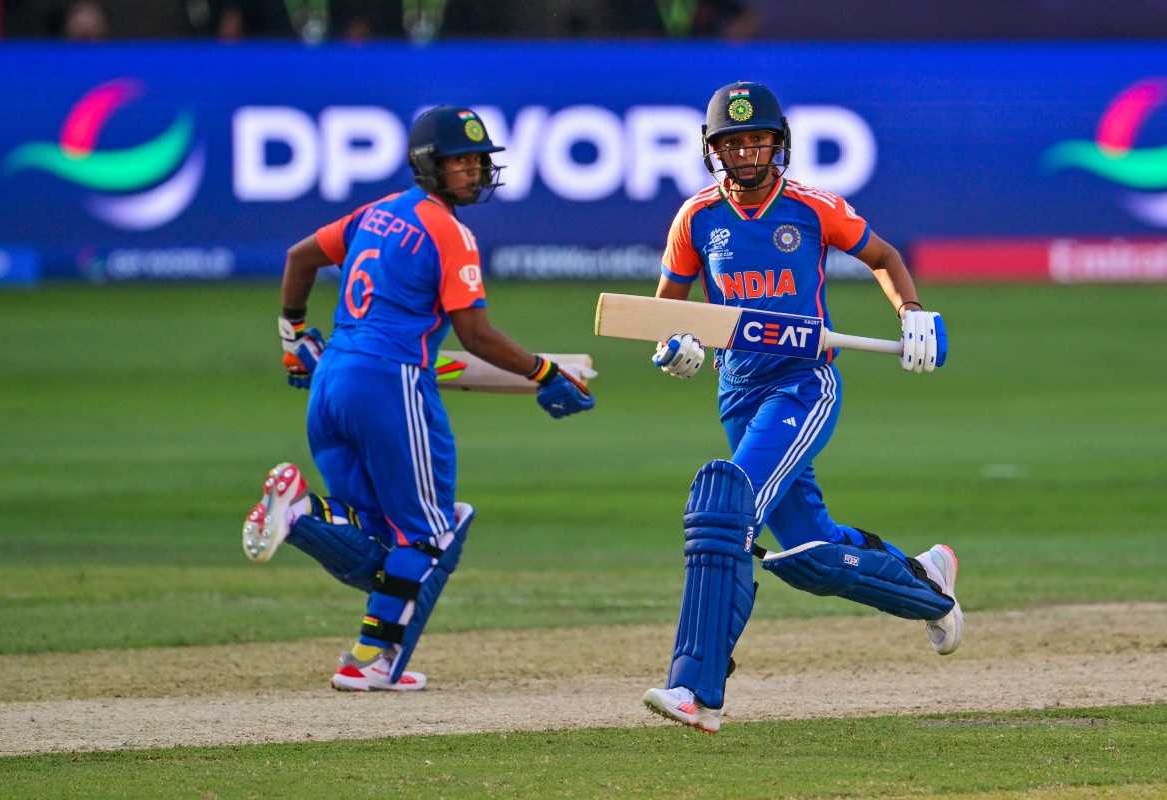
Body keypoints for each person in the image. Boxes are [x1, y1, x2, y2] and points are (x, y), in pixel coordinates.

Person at [240, 104, 595, 692]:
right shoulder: (451, 233)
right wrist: (545, 372)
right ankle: (367, 654)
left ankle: (307, 532)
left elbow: (299, 258)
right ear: (428, 164)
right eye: (461, 161)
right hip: (389, 382)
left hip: (331, 379)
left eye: (480, 161)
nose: (475, 171)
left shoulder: (376, 214)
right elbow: (475, 334)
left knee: (381, 537)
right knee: (431, 534)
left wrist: (294, 335)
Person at [640, 80, 958, 733]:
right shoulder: (696, 217)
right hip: (739, 388)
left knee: (727, 511)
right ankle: (926, 583)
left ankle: (695, 687)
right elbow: (667, 307)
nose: (748, 154)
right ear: (712, 151)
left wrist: (913, 312)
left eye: (758, 141)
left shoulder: (811, 208)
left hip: (804, 383)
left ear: (778, 145)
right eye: (734, 144)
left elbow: (884, 256)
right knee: (812, 553)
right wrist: (674, 343)